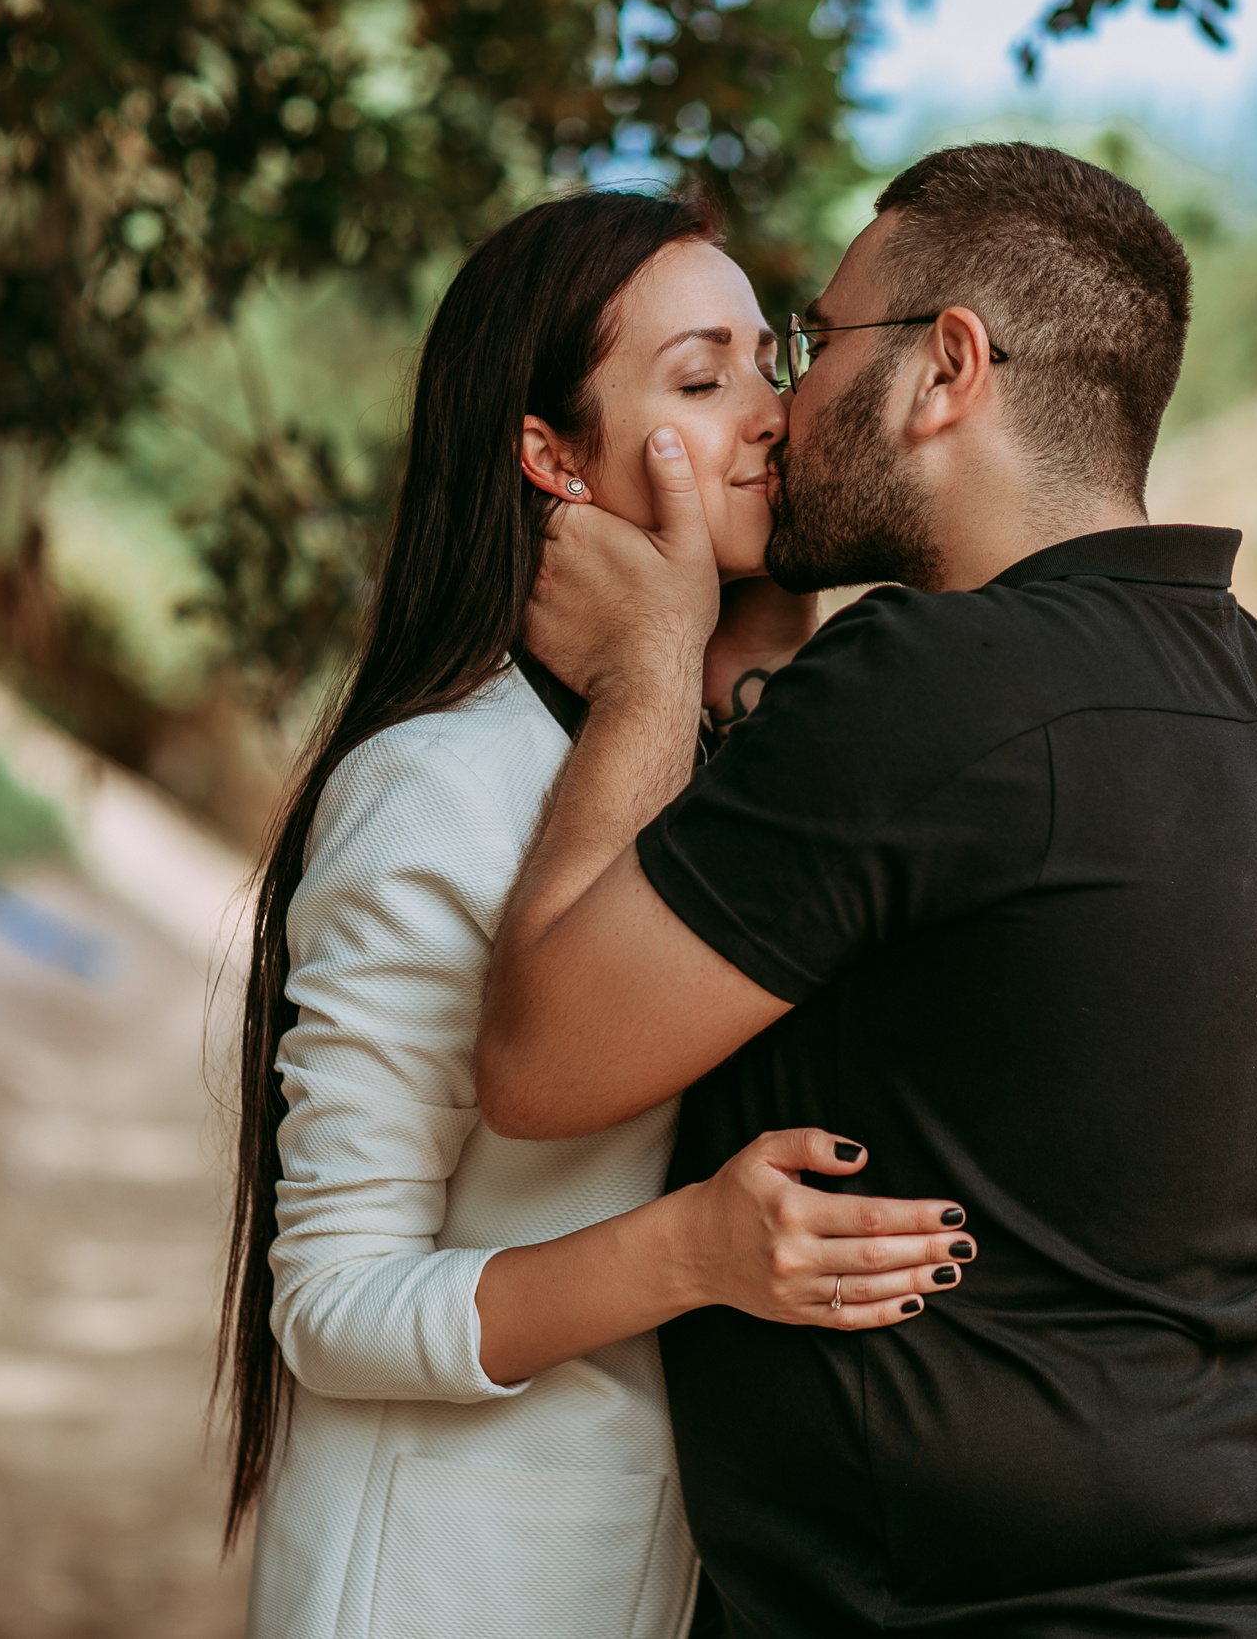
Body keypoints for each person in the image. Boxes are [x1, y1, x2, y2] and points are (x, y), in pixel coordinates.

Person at [480, 142, 1257, 1637]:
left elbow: (541, 1057)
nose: (784, 404)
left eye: (817, 344)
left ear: (946, 369)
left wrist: (646, 669)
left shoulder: (933, 684)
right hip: (1244, 1574)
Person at [217, 190, 979, 1639]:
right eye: (700, 379)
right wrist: (695, 1253)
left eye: (771, 360)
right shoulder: (438, 786)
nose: (770, 414)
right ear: (552, 457)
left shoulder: (715, 762)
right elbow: (332, 1304)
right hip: (439, 1586)